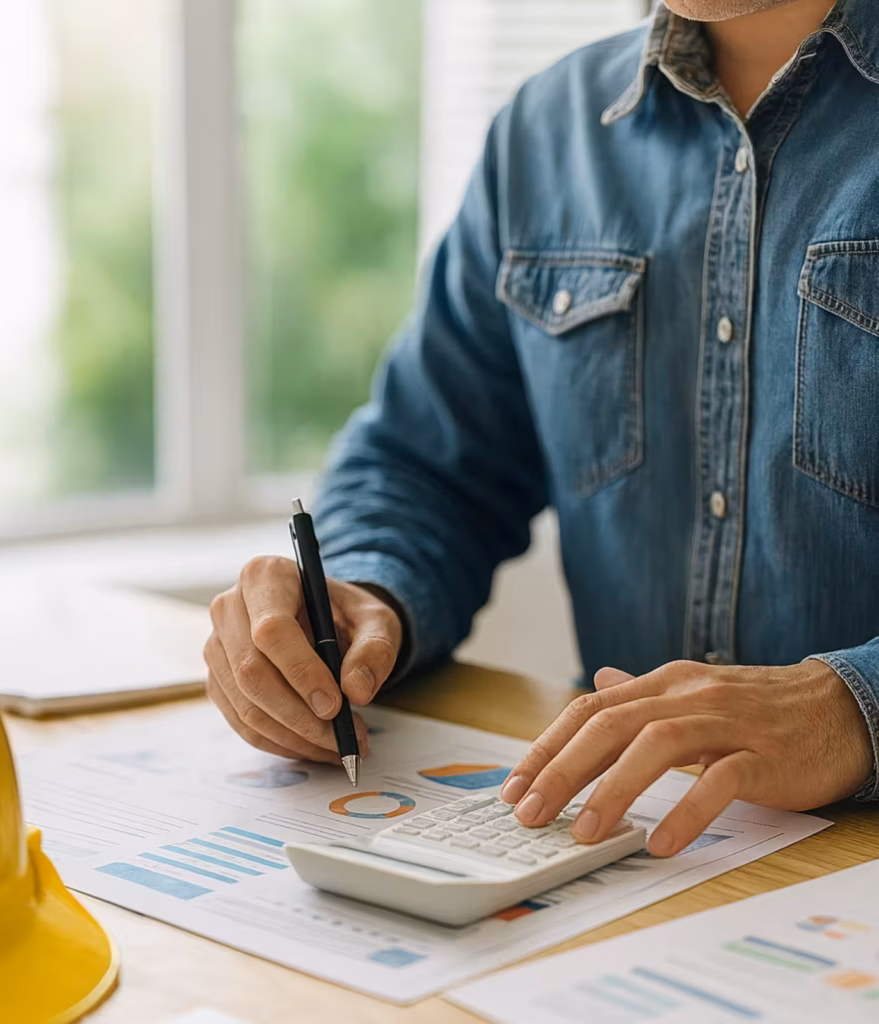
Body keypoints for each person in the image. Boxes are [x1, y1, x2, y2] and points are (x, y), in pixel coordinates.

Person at [205, 0, 879, 856]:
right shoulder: (544, 133)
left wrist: (852, 708)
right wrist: (363, 600)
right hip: (622, 854)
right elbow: (428, 466)